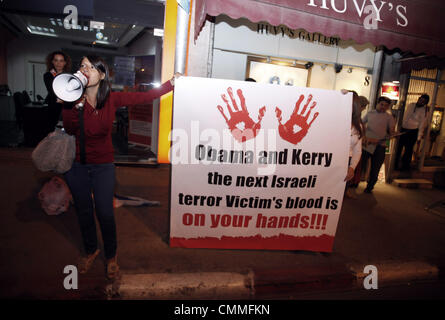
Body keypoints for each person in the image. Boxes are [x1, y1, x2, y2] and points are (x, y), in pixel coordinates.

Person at [62, 55, 179, 280]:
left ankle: (111, 255)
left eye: (90, 67)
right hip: (75, 165)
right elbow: (69, 128)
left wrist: (171, 84)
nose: (84, 69)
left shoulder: (112, 99)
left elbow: (146, 96)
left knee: (105, 213)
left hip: (103, 166)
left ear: (102, 75)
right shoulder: (71, 99)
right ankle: (90, 250)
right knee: (84, 211)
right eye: (82, 65)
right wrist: (72, 104)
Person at [361, 96, 395, 193]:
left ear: (388, 107)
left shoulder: (389, 117)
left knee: (375, 168)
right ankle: (354, 182)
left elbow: (391, 132)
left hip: (380, 145)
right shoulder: (370, 113)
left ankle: (370, 187)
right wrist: (364, 136)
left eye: (386, 106)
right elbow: (362, 124)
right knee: (361, 164)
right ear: (377, 103)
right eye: (381, 104)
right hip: (367, 143)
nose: (383, 107)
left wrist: (392, 135)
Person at [395, 94, 430, 171]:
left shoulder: (425, 111)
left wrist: (419, 137)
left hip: (413, 131)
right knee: (398, 148)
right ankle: (394, 165)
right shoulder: (411, 105)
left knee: (408, 150)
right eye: (421, 99)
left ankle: (405, 167)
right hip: (403, 128)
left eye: (423, 101)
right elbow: (405, 116)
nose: (421, 102)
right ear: (419, 98)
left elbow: (422, 124)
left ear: (425, 103)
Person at [44, 51, 72, 131]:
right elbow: (52, 90)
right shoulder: (48, 75)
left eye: (61, 61)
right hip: (53, 106)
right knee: (51, 129)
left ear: (65, 63)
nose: (58, 63)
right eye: (56, 60)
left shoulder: (68, 76)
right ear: (52, 62)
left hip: (66, 106)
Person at [343, 91, 363, 199]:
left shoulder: (358, 126)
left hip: (347, 164)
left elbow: (357, 150)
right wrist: (341, 93)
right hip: (330, 161)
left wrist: (352, 168)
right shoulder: (334, 120)